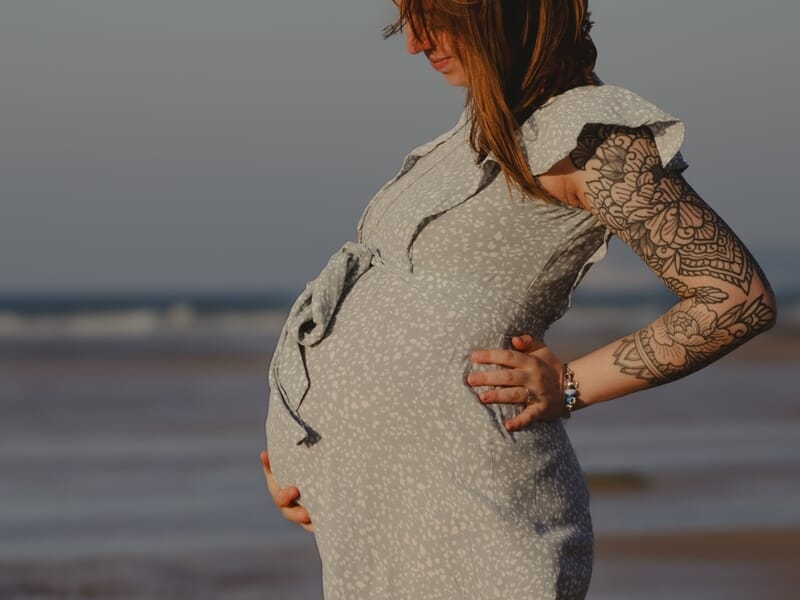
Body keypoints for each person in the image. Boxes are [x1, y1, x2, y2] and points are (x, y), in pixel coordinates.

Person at [261, 1, 777, 598]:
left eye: (435, 15)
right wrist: (311, 456)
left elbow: (734, 297)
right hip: (380, 521)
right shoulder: (468, 138)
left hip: (480, 525)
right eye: (406, 20)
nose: (416, 43)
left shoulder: (588, 136)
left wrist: (570, 386)